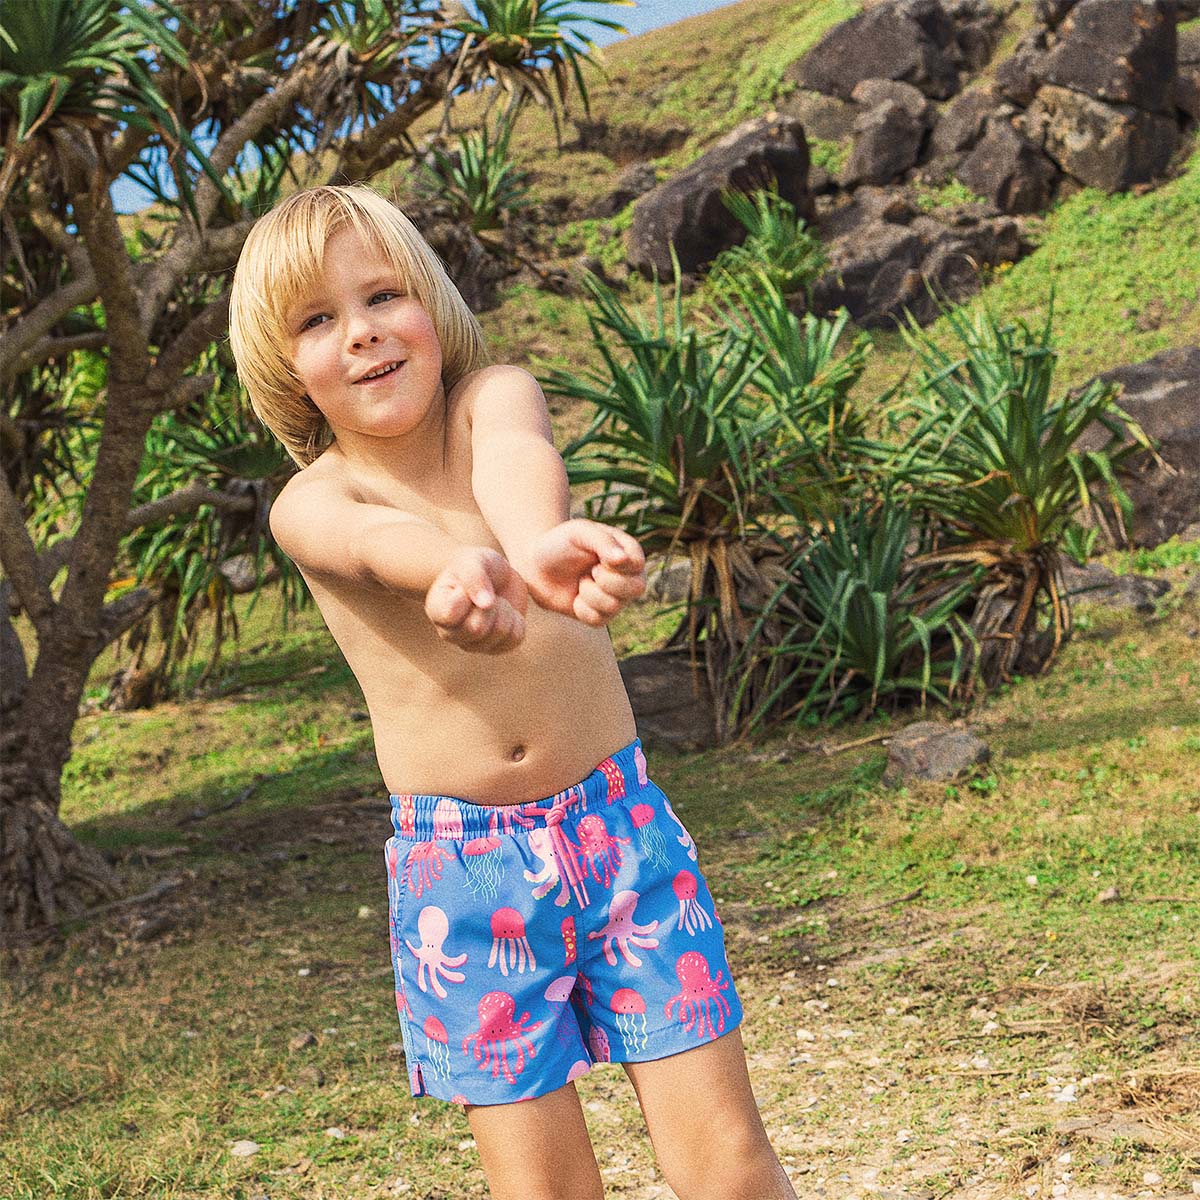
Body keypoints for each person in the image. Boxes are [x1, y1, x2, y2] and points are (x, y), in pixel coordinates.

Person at [228, 184, 797, 1200]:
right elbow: (372, 543)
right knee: (545, 1193)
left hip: (620, 835)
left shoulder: (493, 395)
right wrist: (451, 572)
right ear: (287, 366)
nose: (361, 334)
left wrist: (535, 550)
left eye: (382, 297)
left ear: (431, 306)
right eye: (318, 320)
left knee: (732, 1168)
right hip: (466, 882)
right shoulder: (310, 502)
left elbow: (516, 458)